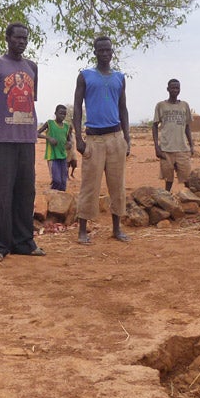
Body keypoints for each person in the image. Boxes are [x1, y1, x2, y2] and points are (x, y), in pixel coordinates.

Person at [0, 23, 44, 261]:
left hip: (26, 138)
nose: (21, 42)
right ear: (7, 38)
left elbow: (30, 100)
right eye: (17, 38)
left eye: (25, 38)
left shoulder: (32, 67)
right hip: (3, 138)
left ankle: (24, 242)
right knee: (1, 193)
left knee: (26, 192)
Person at [73, 36, 130, 245]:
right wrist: (78, 138)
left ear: (112, 52)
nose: (105, 53)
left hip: (116, 137)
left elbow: (123, 108)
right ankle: (82, 231)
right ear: (95, 52)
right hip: (94, 139)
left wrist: (127, 138)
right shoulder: (85, 76)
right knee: (89, 186)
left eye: (108, 50)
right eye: (101, 50)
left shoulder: (119, 78)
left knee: (117, 186)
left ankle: (117, 229)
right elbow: (77, 107)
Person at [152, 78, 194, 191]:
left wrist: (192, 145)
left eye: (177, 88)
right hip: (166, 149)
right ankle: (167, 199)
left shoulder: (185, 105)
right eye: (173, 88)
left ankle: (192, 201)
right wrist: (156, 147)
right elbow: (155, 126)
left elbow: (187, 127)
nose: (175, 90)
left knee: (187, 179)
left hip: (182, 149)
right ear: (168, 89)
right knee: (168, 179)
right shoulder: (161, 105)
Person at [38, 104, 73, 191]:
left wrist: (69, 144)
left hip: (63, 156)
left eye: (64, 114)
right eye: (61, 113)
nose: (63, 116)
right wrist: (48, 138)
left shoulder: (66, 127)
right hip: (53, 156)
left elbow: (69, 139)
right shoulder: (50, 123)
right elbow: (36, 133)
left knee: (63, 183)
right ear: (55, 113)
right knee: (56, 180)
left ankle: (60, 202)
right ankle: (52, 196)